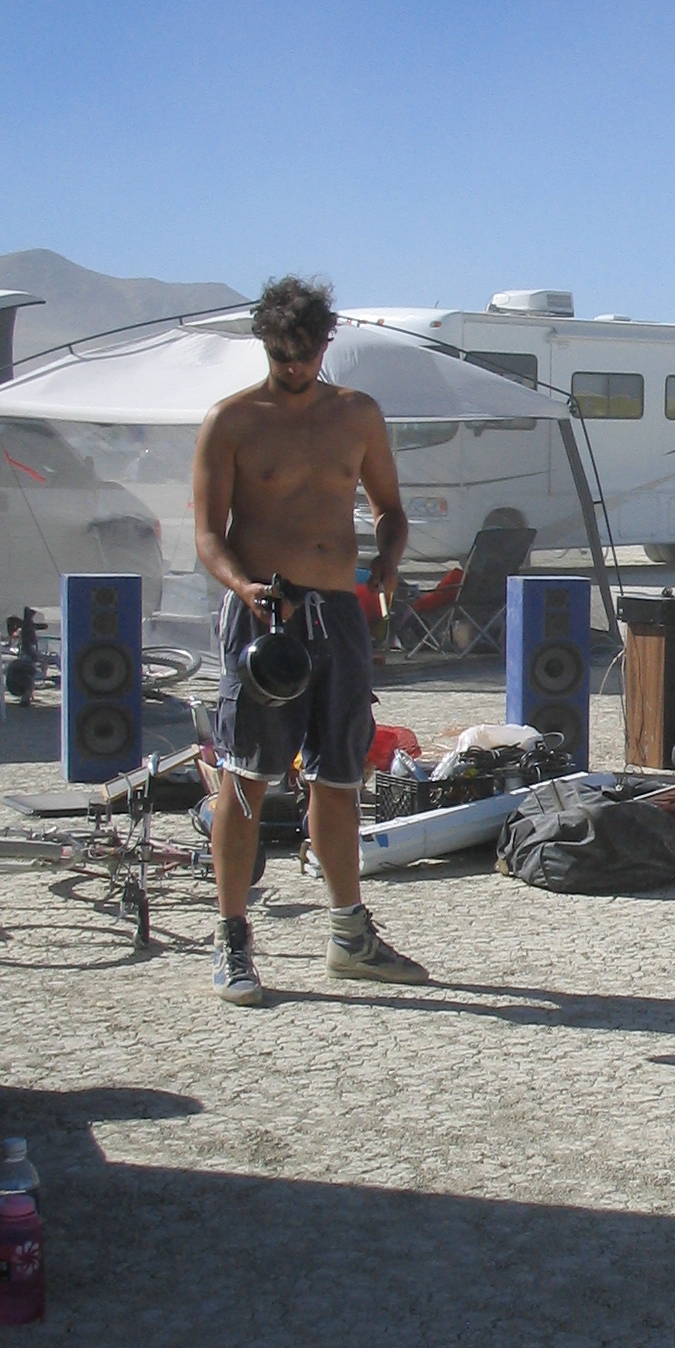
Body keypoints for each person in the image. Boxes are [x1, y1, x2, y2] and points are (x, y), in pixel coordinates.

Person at [193, 275, 428, 1005]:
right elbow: (208, 536)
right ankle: (232, 937)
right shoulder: (232, 420)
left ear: (326, 344)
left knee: (339, 776)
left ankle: (349, 936)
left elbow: (390, 508)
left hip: (339, 613)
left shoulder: (357, 414)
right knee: (246, 773)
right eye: (278, 353)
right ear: (263, 345)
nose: (292, 366)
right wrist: (243, 587)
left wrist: (388, 559)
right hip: (265, 615)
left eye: (303, 352)